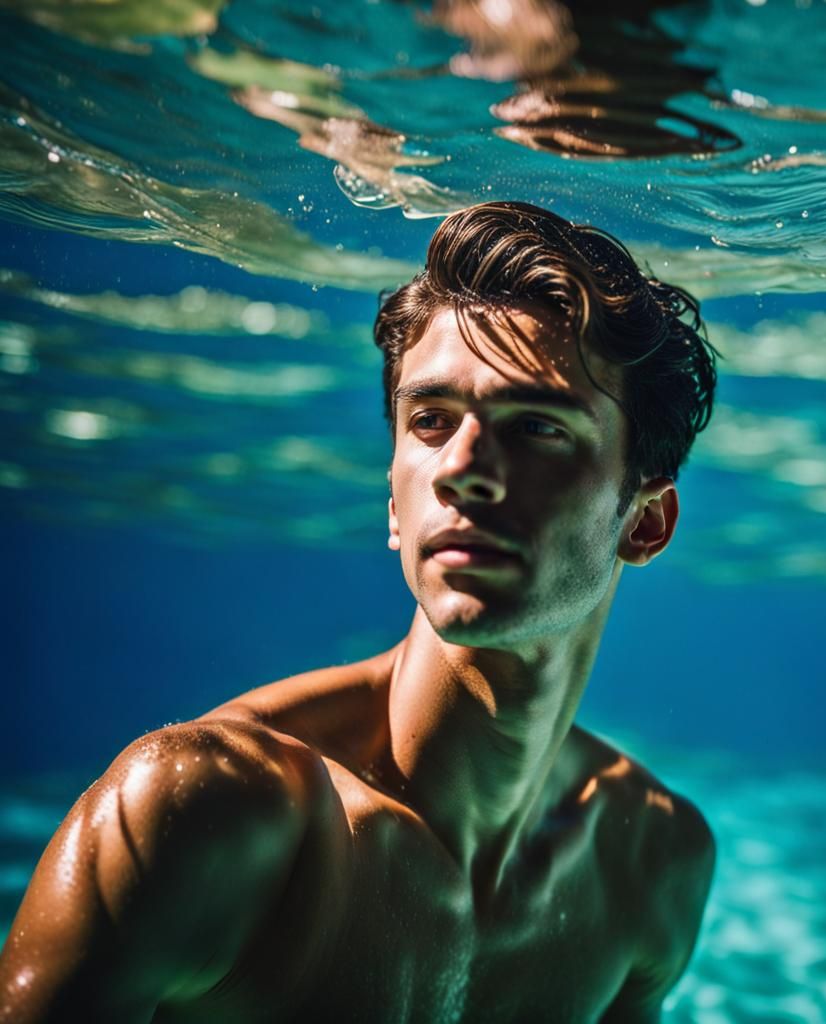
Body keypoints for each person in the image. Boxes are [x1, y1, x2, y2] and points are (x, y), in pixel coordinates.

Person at [0, 201, 718, 1023]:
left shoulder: (652, 866)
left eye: (537, 427)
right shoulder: (203, 817)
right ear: (393, 503)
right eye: (430, 421)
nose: (462, 469)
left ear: (646, 521)